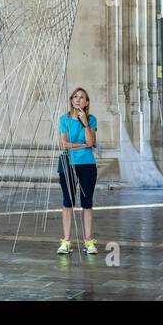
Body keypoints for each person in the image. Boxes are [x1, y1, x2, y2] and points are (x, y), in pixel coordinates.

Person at [57, 87, 99, 255]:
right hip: (67, 163)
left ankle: (88, 240)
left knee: (87, 202)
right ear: (71, 100)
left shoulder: (91, 119)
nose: (78, 99)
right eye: (75, 97)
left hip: (87, 164)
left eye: (82, 97)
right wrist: (83, 145)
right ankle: (66, 241)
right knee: (68, 202)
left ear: (86, 102)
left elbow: (92, 142)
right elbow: (64, 144)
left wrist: (85, 124)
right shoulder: (64, 119)